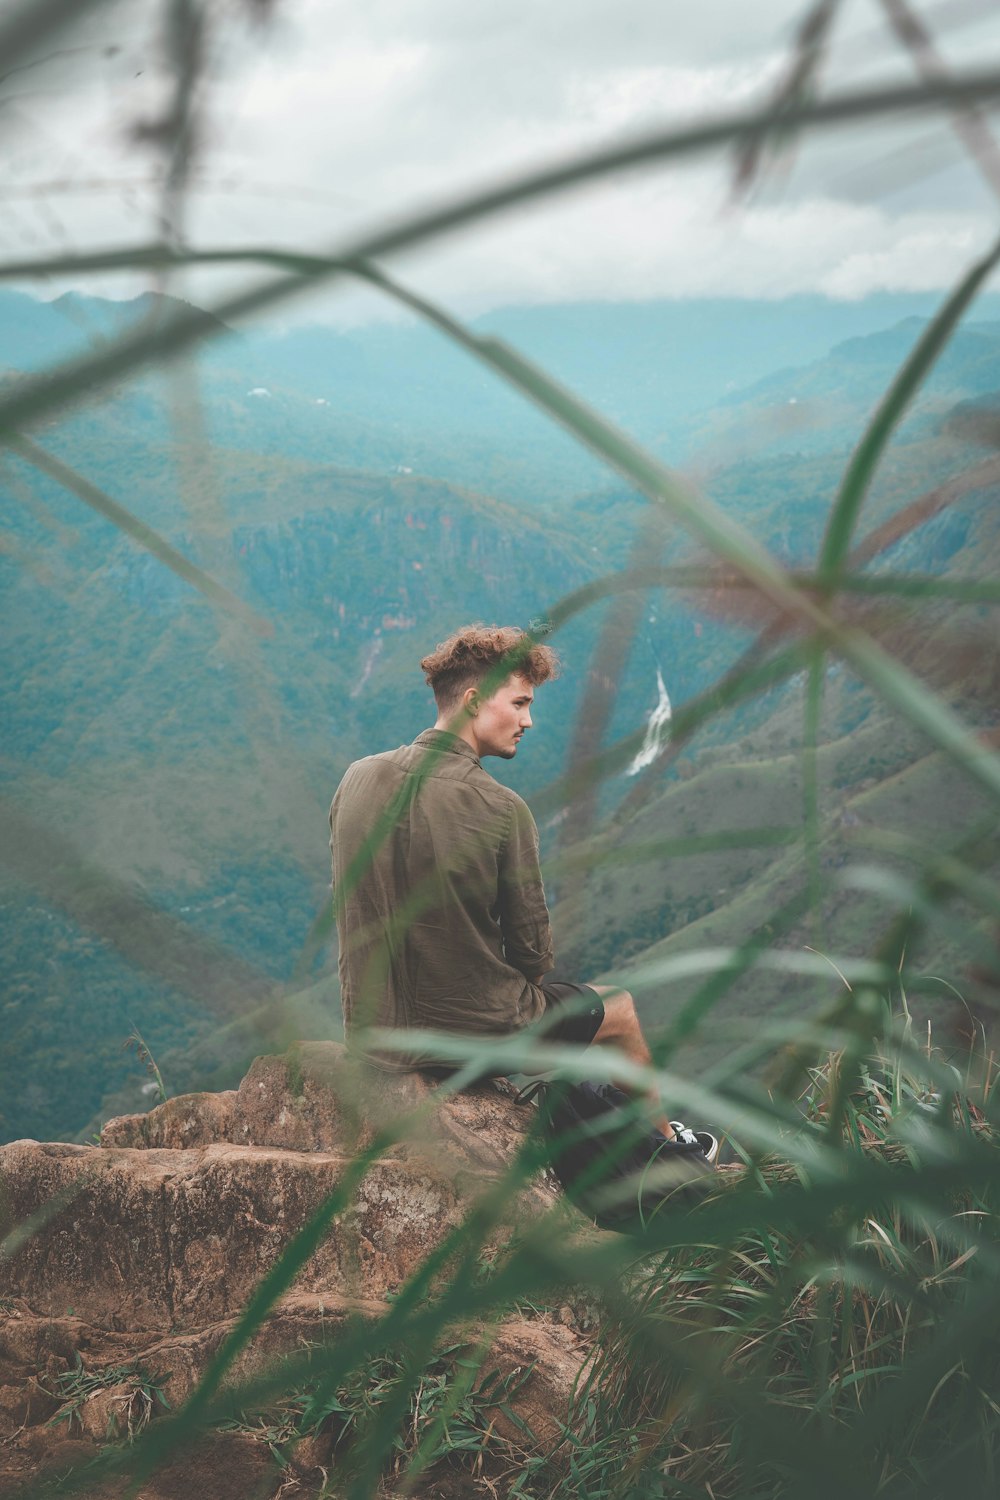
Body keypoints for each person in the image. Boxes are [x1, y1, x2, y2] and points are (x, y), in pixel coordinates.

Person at [329, 623, 716, 1160]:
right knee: (620, 1008)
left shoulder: (355, 779)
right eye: (520, 703)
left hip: (372, 1038)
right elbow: (533, 953)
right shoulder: (501, 808)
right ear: (472, 701)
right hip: (464, 1044)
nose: (528, 720)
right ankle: (676, 1153)